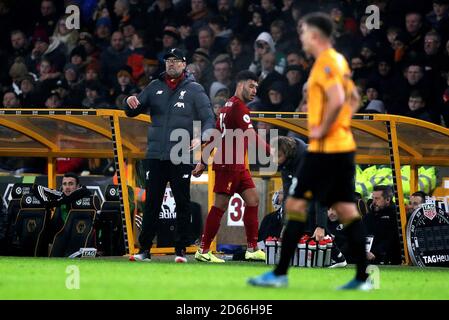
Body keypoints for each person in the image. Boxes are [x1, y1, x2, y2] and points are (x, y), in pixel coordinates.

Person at [248, 13, 370, 290]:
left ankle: (281, 273)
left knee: (311, 206)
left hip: (327, 148)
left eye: (304, 33)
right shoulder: (334, 61)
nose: (301, 38)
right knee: (337, 209)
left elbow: (341, 100)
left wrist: (323, 129)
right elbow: (352, 98)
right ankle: (360, 275)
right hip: (335, 147)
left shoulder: (327, 63)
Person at [125, 48, 215, 263]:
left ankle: (180, 250)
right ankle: (144, 250)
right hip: (155, 155)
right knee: (152, 203)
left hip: (181, 154)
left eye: (176, 61)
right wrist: (129, 102)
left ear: (184, 64)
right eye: (168, 61)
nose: (171, 64)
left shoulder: (195, 89)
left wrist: (201, 138)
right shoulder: (154, 86)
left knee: (182, 203)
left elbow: (209, 119)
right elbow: (133, 109)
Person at [192, 70, 271, 263]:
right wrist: (271, 151)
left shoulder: (226, 107)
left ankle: (252, 249)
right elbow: (251, 136)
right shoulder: (239, 109)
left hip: (238, 166)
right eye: (251, 86)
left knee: (252, 200)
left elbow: (214, 135)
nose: (254, 91)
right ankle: (203, 250)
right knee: (220, 206)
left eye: (256, 87)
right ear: (240, 84)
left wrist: (202, 160)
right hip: (228, 165)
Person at [363, 185, 402, 265]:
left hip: (387, 259)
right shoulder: (368, 216)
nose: (373, 202)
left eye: (377, 199)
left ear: (387, 199)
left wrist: (374, 252)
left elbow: (391, 240)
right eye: (373, 198)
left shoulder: (396, 216)